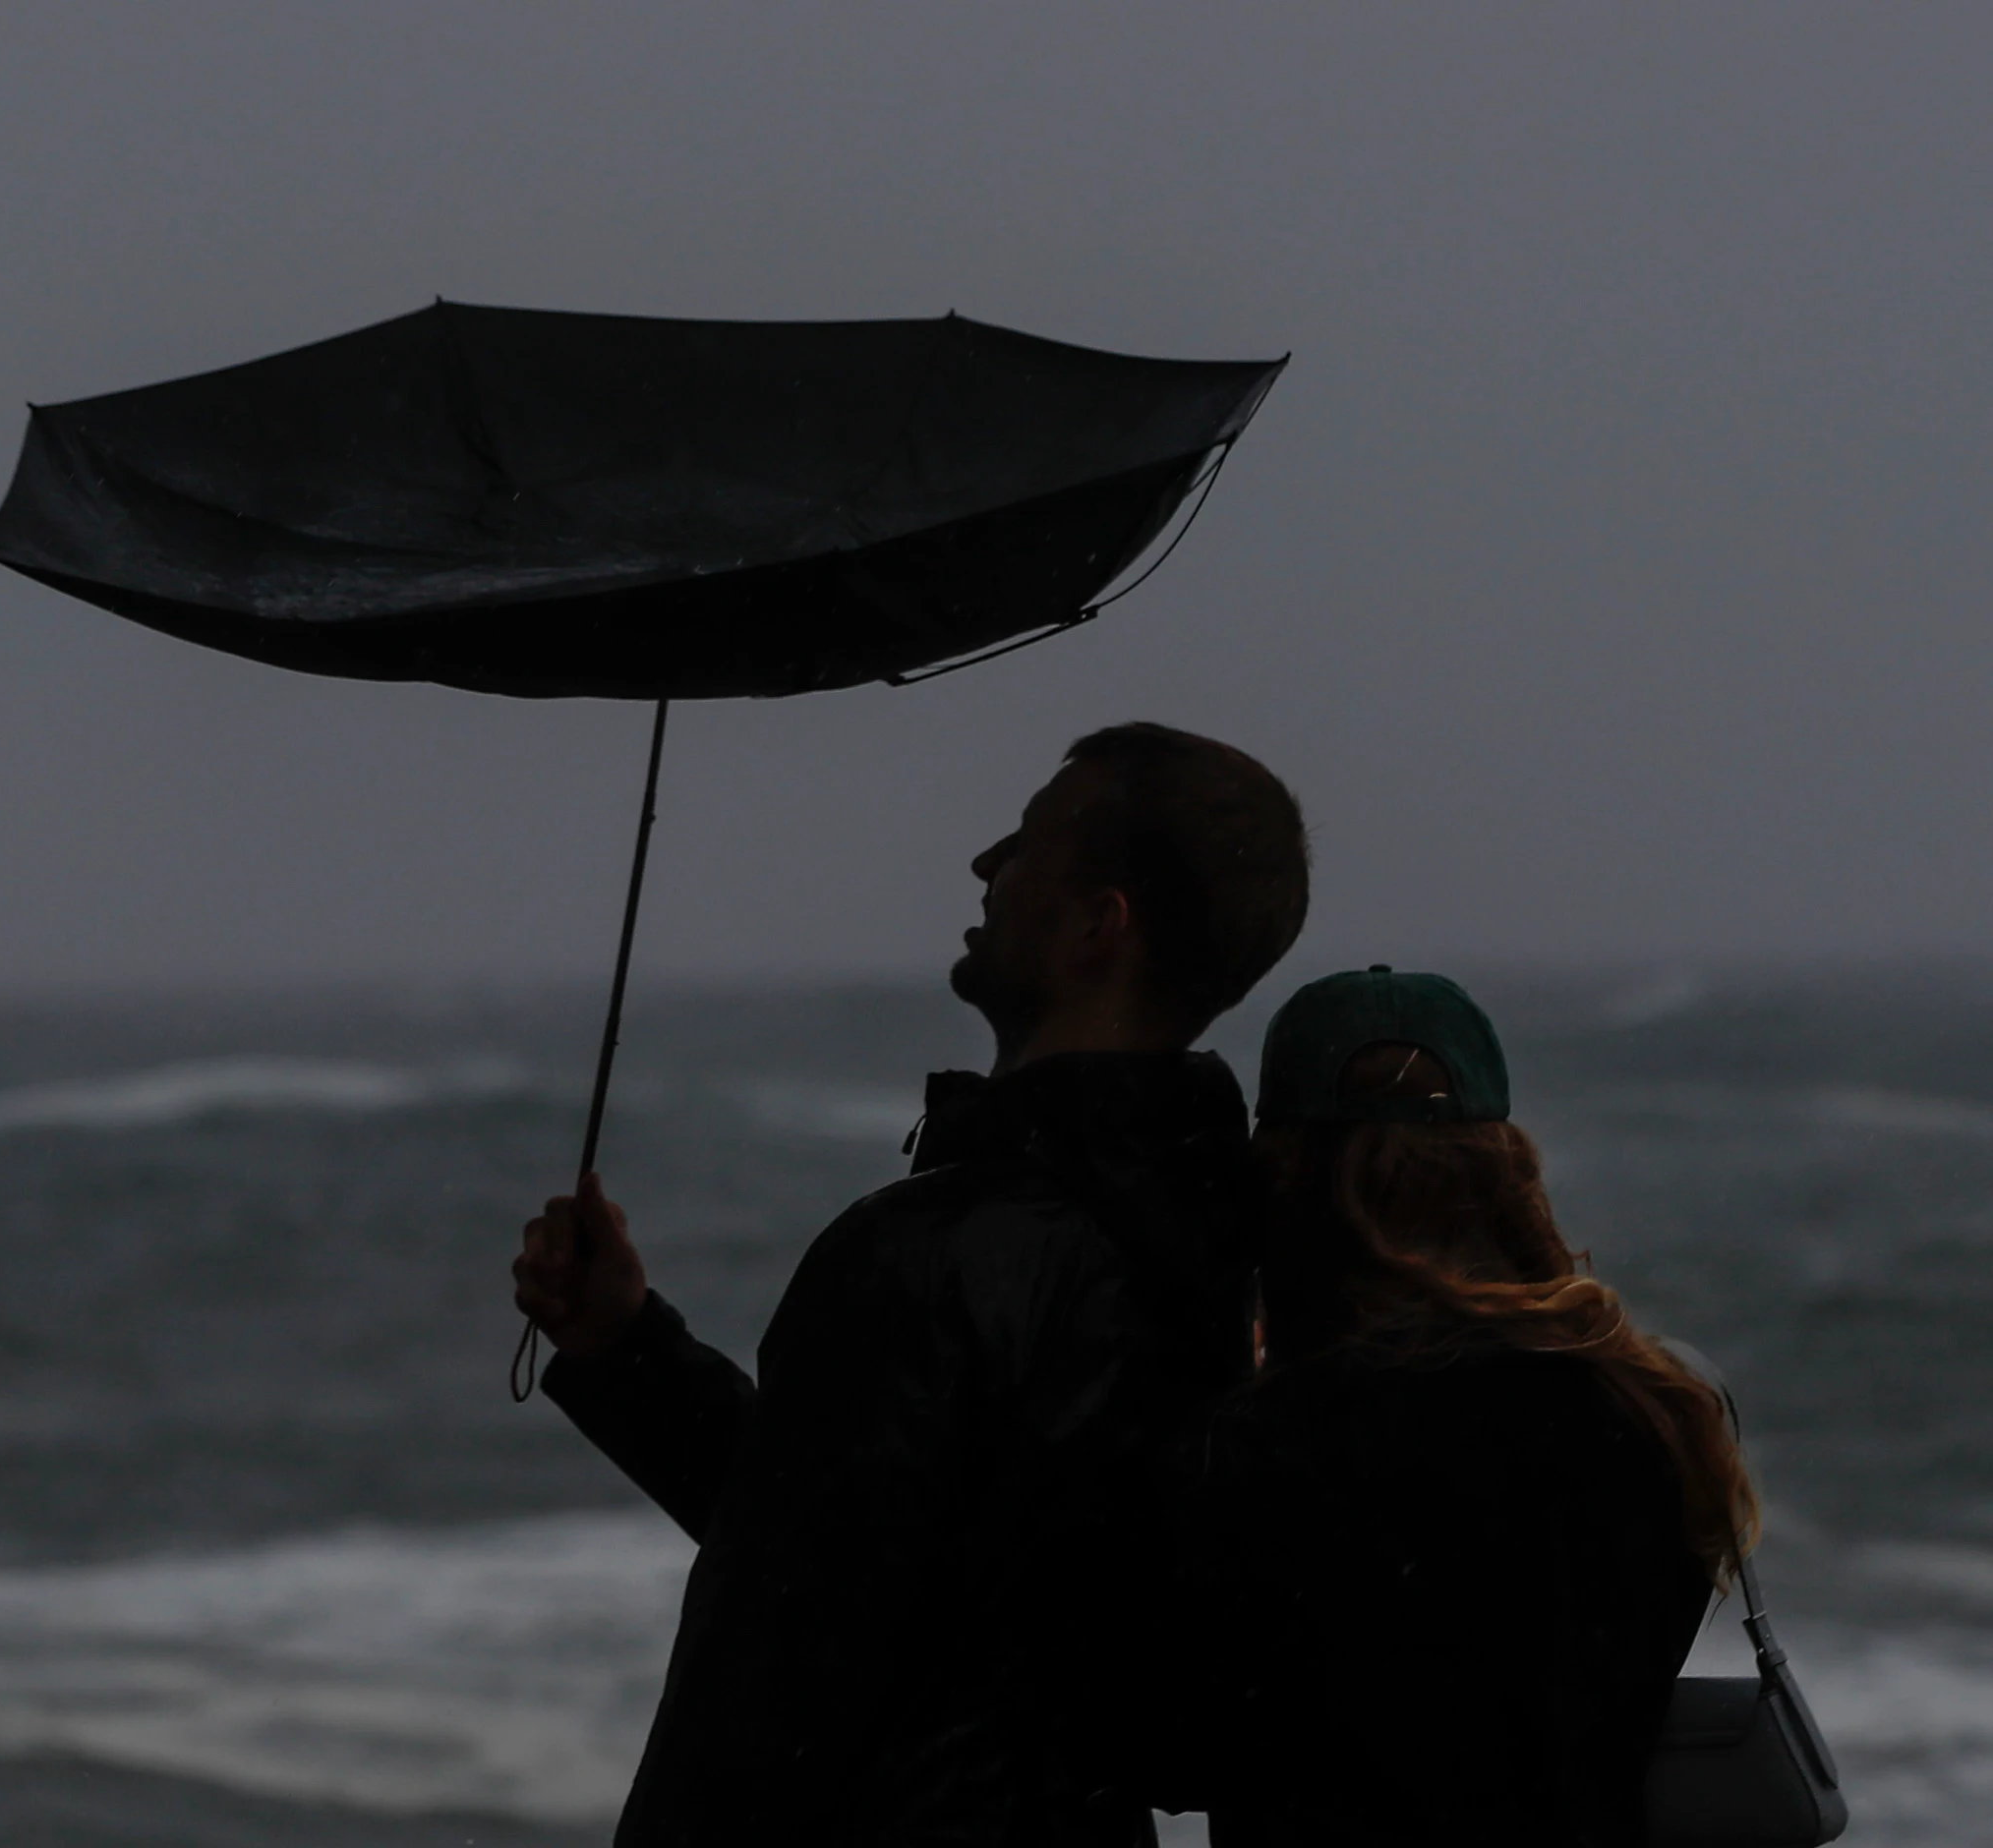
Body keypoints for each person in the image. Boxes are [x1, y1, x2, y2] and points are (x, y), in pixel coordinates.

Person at [513, 722, 1312, 1846]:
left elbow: (785, 1655)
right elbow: (907, 1564)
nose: (988, 866)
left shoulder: (930, 1252)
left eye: (1028, 839)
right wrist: (628, 1349)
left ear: (1100, 923)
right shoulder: (1214, 1248)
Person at [1132, 968, 1753, 1845]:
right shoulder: (1648, 1414)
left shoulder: (1259, 1449)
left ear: (1282, 1179)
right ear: (1504, 1168)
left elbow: (1169, 1748)